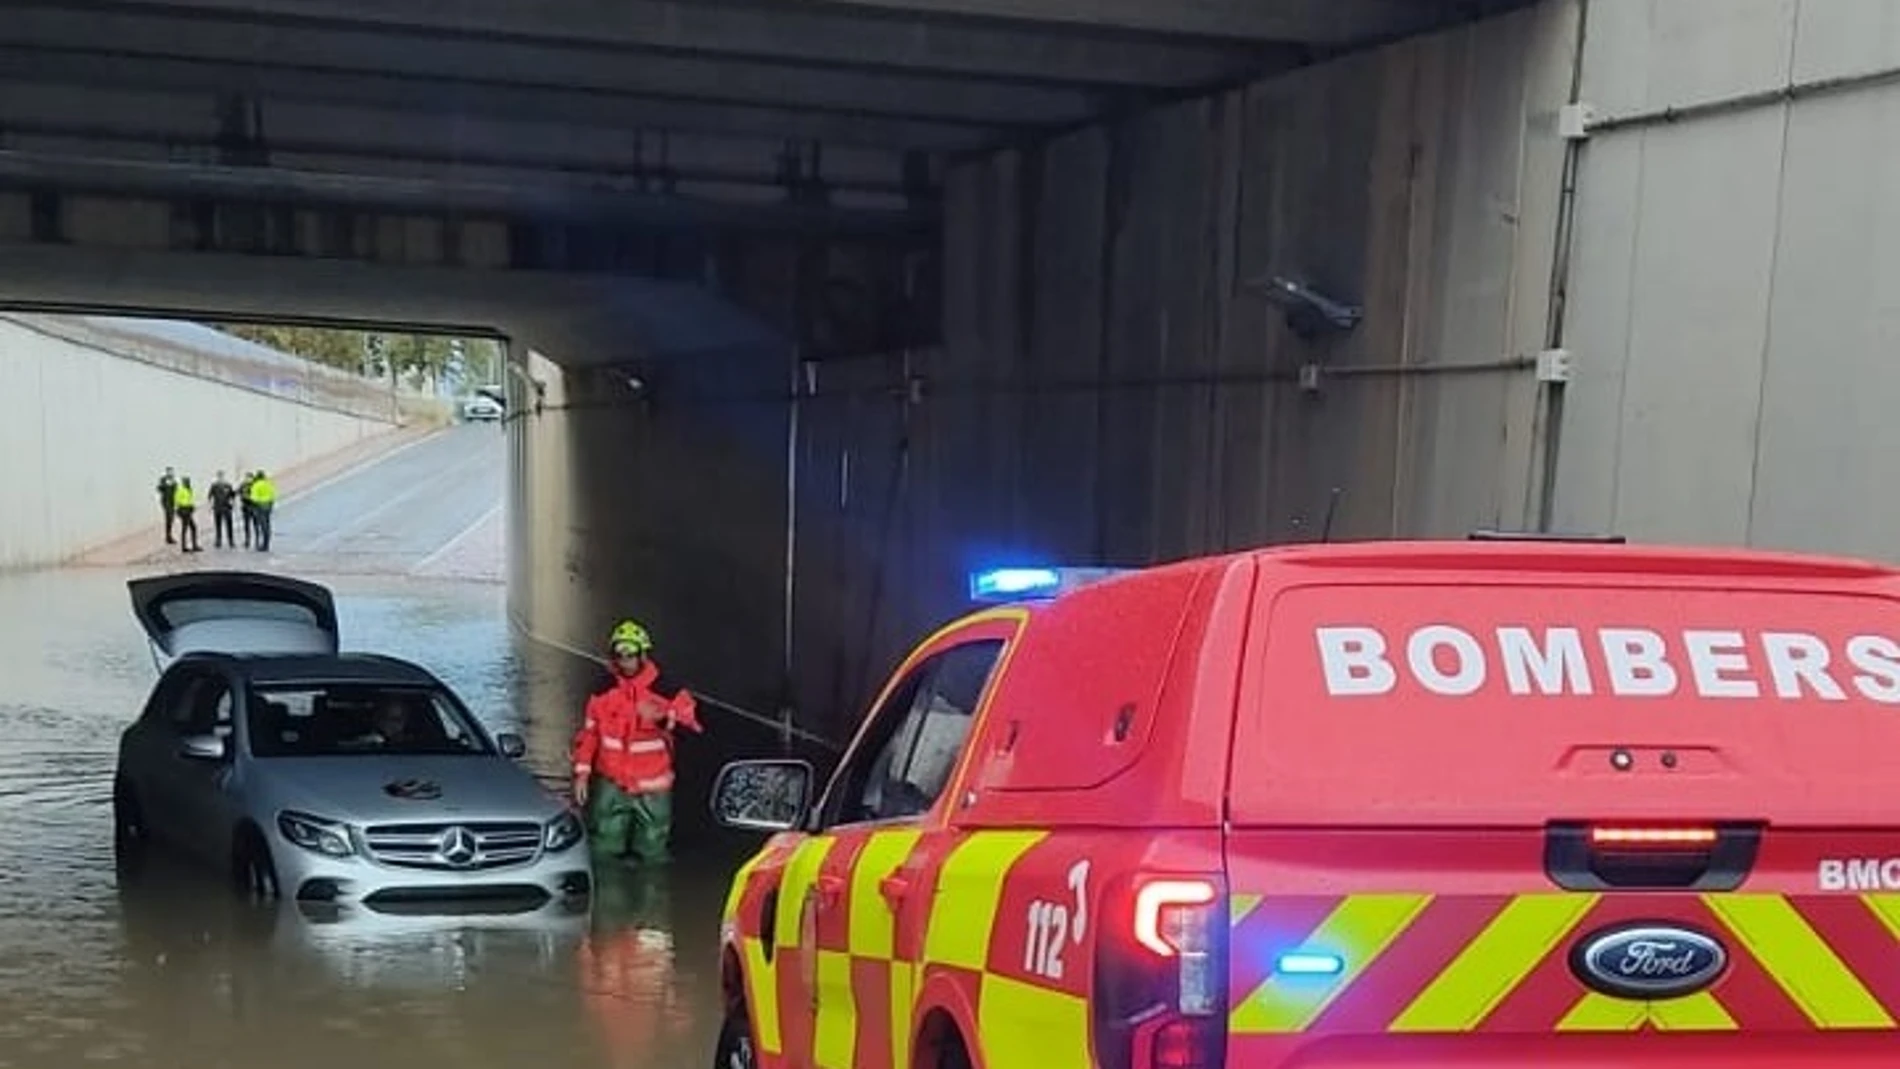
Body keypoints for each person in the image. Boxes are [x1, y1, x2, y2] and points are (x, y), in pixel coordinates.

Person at [570, 620, 702, 866]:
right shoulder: (602, 691)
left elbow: (693, 731)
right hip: (612, 785)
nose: (624, 662)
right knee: (603, 851)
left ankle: (653, 903)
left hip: (653, 789)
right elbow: (589, 735)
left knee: (653, 854)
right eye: (619, 656)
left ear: (643, 654)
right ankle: (608, 901)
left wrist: (663, 719)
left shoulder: (668, 690)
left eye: (630, 655)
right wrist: (582, 774)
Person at [248, 470, 277, 552]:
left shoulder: (256, 485)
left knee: (262, 526)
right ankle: (267, 543)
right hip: (268, 506)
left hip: (260, 507)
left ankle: (263, 545)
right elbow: (273, 495)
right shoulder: (268, 484)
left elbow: (254, 498)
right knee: (267, 525)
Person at [209, 471, 237, 549]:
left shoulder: (228, 485)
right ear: (217, 477)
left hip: (226, 508)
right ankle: (218, 541)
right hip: (217, 508)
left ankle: (231, 541)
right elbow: (210, 496)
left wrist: (232, 503)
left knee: (229, 525)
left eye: (221, 476)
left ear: (223, 476)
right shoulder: (214, 485)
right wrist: (211, 506)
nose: (220, 478)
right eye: (219, 476)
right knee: (218, 525)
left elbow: (232, 495)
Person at [173, 477, 200, 553]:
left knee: (192, 527)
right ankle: (185, 547)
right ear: (183, 482)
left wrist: (192, 506)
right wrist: (180, 510)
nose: (188, 482)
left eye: (188, 481)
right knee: (186, 528)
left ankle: (193, 545)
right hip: (184, 510)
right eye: (186, 481)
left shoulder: (189, 489)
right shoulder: (180, 490)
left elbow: (190, 499)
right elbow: (177, 501)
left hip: (188, 510)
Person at [156, 467, 178, 545]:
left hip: (172, 502)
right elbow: (158, 489)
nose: (171, 473)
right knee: (168, 518)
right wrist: (165, 485)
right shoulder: (163, 479)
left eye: (172, 471)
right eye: (169, 471)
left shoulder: (174, 480)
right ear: (167, 472)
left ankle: (169, 536)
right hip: (166, 502)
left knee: (171, 519)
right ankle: (168, 537)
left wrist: (174, 484)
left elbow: (176, 490)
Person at [238, 472, 257, 548]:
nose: (247, 479)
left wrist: (246, 496)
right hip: (245, 507)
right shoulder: (243, 485)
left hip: (253, 507)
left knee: (255, 524)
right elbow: (238, 492)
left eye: (248, 477)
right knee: (247, 525)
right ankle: (247, 540)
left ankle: (257, 540)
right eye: (246, 477)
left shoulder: (255, 485)